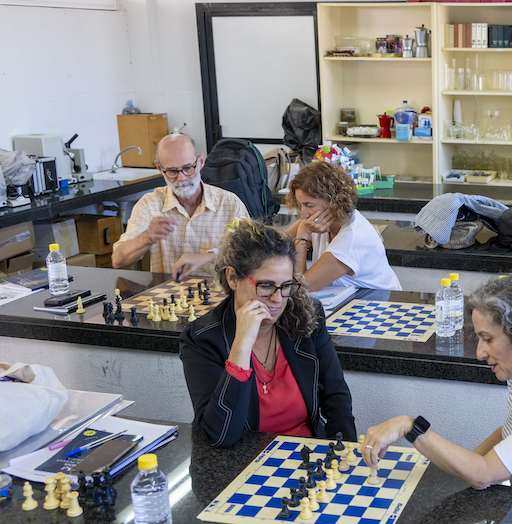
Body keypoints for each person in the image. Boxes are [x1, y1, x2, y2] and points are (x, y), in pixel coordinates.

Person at [362, 271, 512, 489]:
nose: (479, 352)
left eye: (488, 339)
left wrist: (410, 426)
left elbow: (485, 474)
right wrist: (468, 464)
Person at [179, 219, 355, 447]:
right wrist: (241, 344)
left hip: (307, 458)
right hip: (243, 465)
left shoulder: (307, 317)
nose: (277, 299)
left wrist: (346, 456)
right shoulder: (202, 338)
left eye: (285, 286)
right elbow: (221, 436)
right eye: (265, 286)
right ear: (232, 278)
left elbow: (336, 398)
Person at [112, 134, 249, 281]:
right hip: (167, 297)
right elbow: (118, 260)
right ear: (159, 168)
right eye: (172, 171)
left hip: (219, 297)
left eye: (188, 168)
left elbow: (252, 255)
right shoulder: (149, 204)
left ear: (201, 162)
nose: (182, 178)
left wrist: (210, 256)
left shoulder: (230, 204)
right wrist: (147, 237)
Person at [284, 161, 401, 291]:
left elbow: (301, 287)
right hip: (349, 297)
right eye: (301, 205)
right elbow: (275, 244)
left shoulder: (352, 238)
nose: (303, 214)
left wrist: (303, 234)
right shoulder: (318, 219)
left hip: (376, 303)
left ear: (333, 202)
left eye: (309, 205)